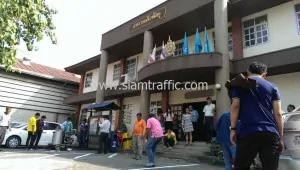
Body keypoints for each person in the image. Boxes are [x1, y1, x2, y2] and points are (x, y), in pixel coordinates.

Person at [230, 62, 284, 170]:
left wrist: (233, 129)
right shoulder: (273, 87)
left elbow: (235, 106)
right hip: (270, 132)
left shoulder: (239, 87)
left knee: (240, 167)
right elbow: (278, 113)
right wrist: (280, 137)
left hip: (248, 132)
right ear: (264, 74)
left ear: (248, 73)